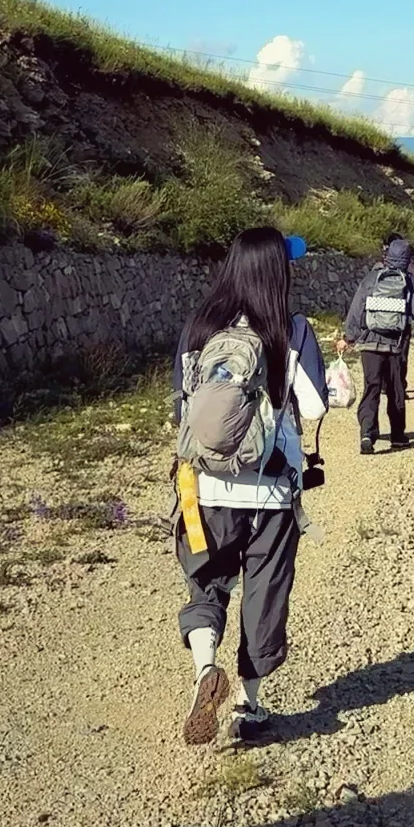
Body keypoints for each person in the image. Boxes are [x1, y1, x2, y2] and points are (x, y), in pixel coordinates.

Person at [173, 226, 328, 748]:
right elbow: (316, 406)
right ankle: (248, 705)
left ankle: (204, 669)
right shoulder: (292, 329)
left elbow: (184, 407)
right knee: (264, 596)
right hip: (270, 495)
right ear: (278, 271)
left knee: (207, 583)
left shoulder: (199, 326)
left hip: (203, 490)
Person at [342, 236, 414, 453]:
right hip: (396, 345)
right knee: (396, 389)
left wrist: (349, 337)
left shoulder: (371, 278)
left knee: (371, 388)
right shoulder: (410, 281)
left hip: (370, 344)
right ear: (408, 259)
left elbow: (356, 310)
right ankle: (398, 436)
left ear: (387, 255)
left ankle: (367, 434)